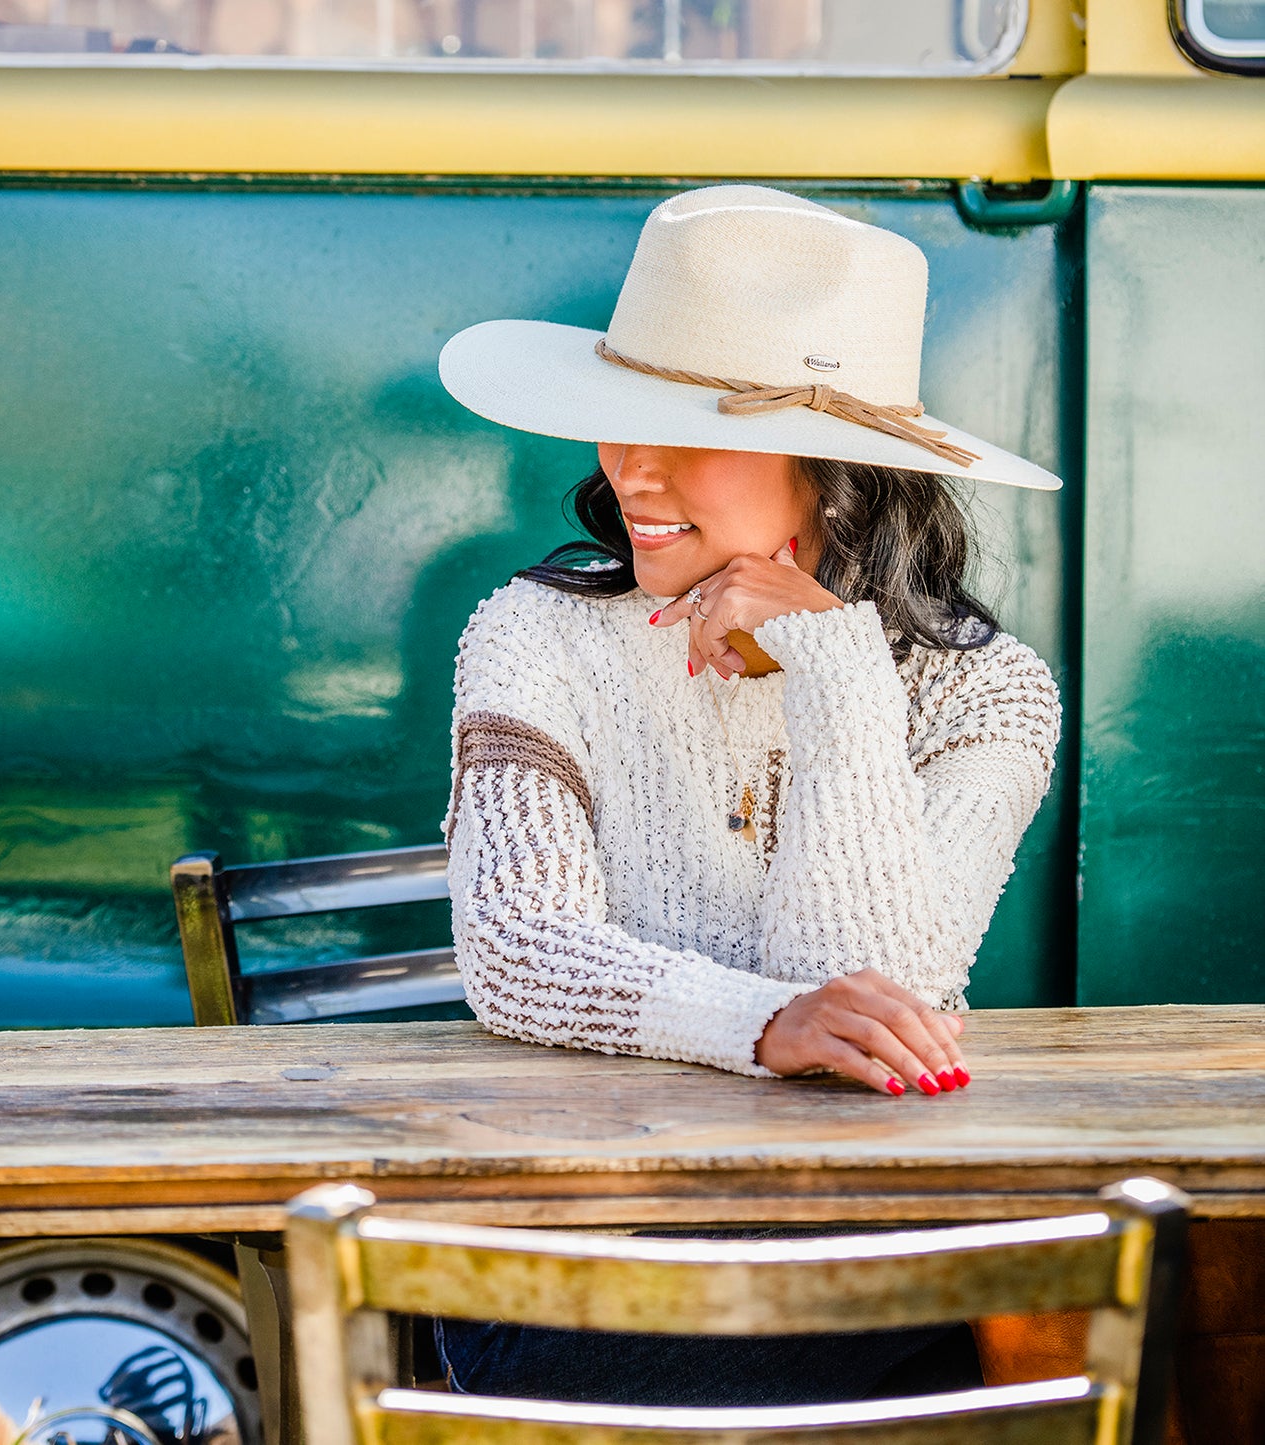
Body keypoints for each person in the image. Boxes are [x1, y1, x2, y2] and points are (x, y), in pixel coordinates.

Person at [431, 185, 1062, 1406]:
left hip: (855, 1237)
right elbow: (515, 948)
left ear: (836, 475)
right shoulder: (534, 635)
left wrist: (834, 674)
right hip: (578, 1261)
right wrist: (762, 1025)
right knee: (1091, 1303)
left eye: (688, 428)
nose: (632, 469)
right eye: (617, 419)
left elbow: (877, 988)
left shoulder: (988, 697)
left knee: (1113, 1290)